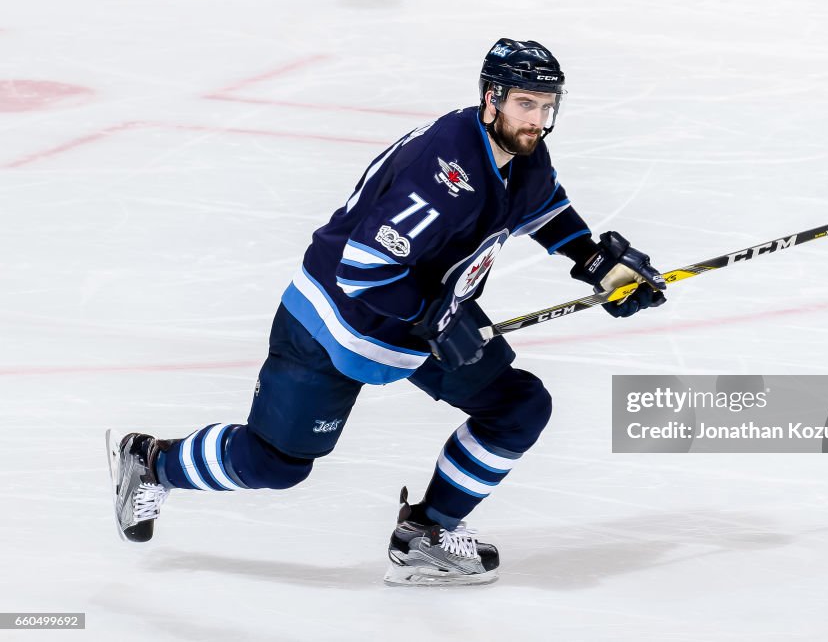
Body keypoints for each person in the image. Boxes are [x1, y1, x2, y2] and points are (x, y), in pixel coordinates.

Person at [105, 38, 667, 586]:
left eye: (547, 107)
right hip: (333, 322)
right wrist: (438, 320)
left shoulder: (517, 150)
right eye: (526, 103)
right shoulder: (446, 173)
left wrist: (593, 260)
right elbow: (363, 270)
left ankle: (425, 533)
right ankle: (153, 462)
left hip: (418, 320)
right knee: (276, 464)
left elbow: (542, 207)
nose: (538, 120)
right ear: (491, 98)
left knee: (518, 406)